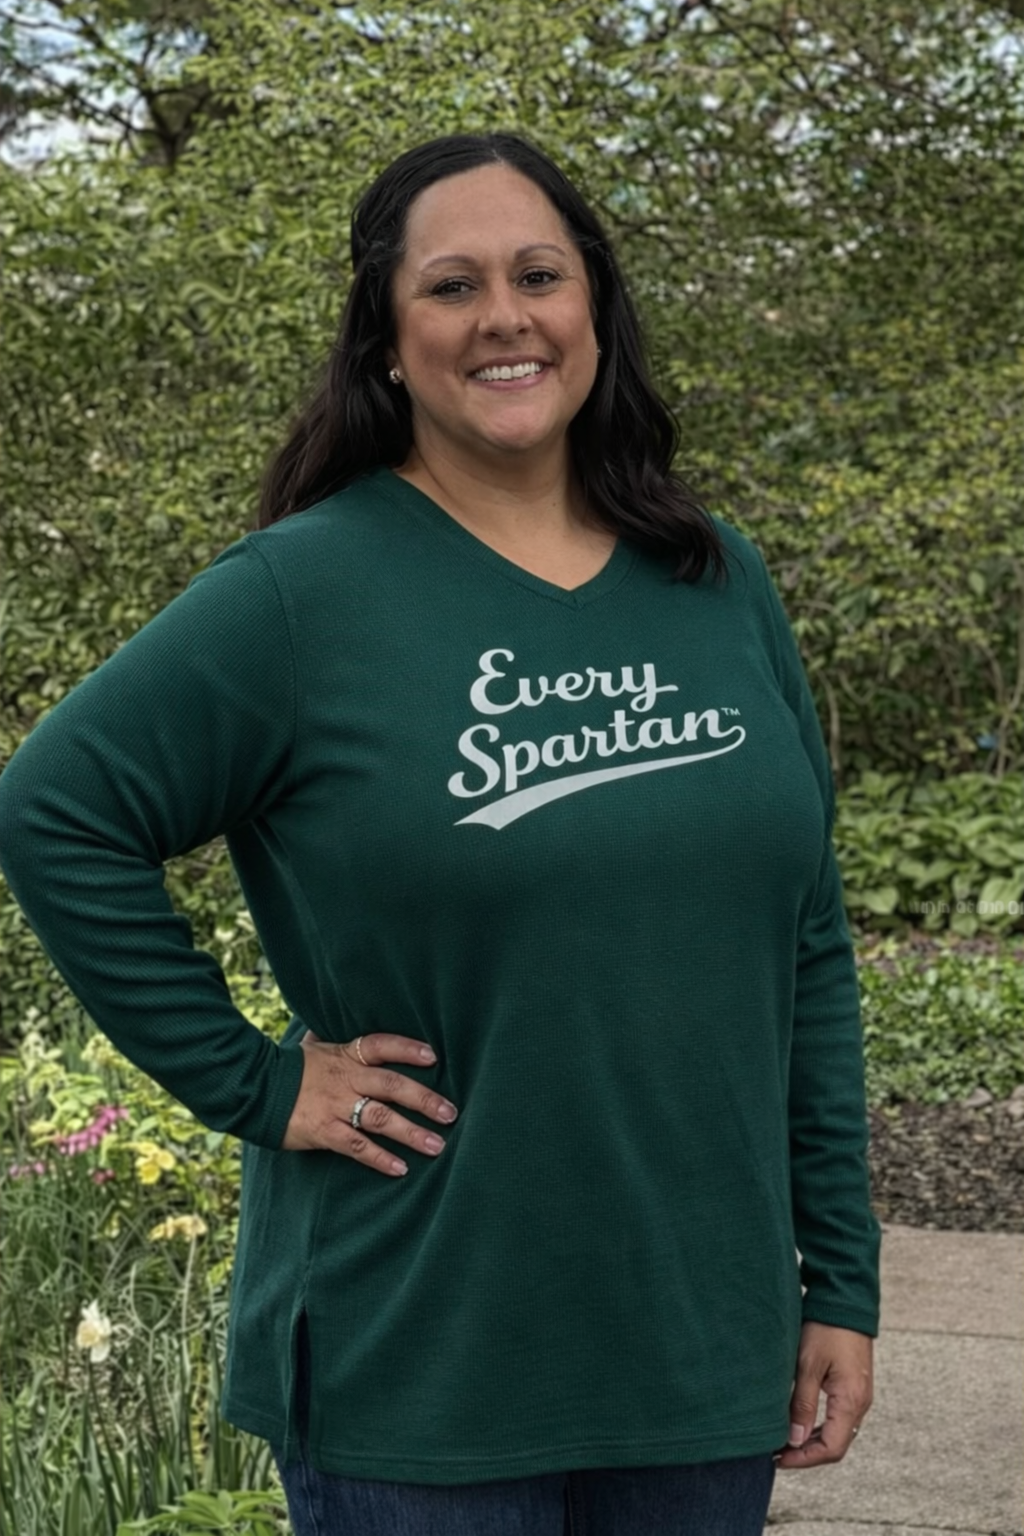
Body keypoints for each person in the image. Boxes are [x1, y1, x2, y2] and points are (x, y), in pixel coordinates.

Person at [0, 131, 879, 1535]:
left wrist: (838, 1277)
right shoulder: (302, 595)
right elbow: (54, 810)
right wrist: (255, 1082)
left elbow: (808, 949)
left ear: (594, 304)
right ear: (389, 342)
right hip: (419, 1369)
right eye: (452, 286)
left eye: (539, 274)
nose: (505, 317)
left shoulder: (713, 577)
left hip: (699, 1356)